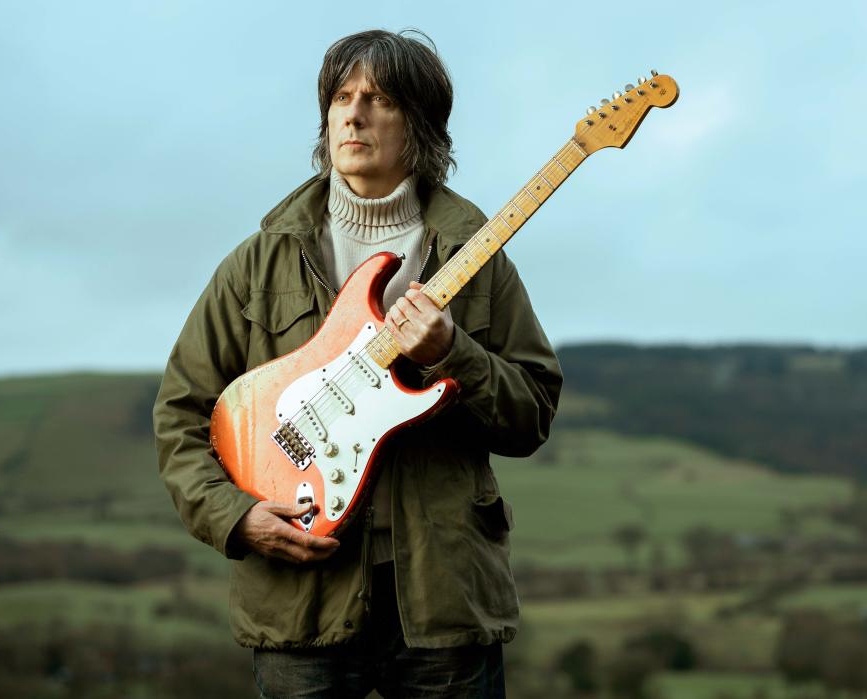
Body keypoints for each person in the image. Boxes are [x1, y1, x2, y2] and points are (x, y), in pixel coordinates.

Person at [153, 29, 562, 698]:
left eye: (378, 100)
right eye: (341, 97)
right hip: (299, 603)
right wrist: (233, 515)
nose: (353, 113)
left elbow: (533, 412)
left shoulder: (477, 257)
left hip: (443, 600)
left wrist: (453, 355)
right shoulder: (260, 262)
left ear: (421, 126)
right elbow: (180, 412)